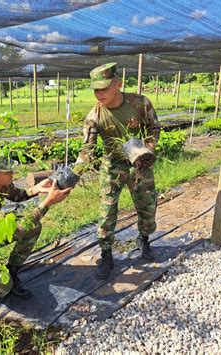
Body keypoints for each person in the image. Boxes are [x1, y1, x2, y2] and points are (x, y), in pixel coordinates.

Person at [74, 62, 161, 280]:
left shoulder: (139, 103)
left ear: (118, 84)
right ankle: (106, 254)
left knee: (147, 204)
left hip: (139, 164)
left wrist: (147, 149)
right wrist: (74, 174)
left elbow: (154, 127)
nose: (99, 94)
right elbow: (88, 149)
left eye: (104, 88)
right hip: (112, 165)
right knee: (107, 211)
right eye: (96, 89)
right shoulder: (94, 116)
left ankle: (144, 239)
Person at [0, 157, 72, 299]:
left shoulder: (1, 186)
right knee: (1, 288)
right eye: (8, 172)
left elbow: (18, 196)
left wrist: (36, 189)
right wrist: (48, 202)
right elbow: (15, 230)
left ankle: (12, 270)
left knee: (33, 227)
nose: (13, 175)